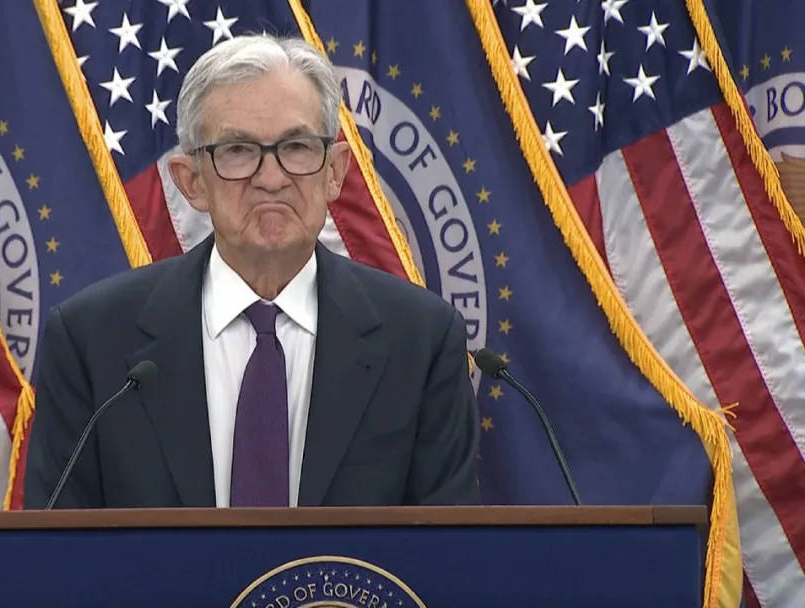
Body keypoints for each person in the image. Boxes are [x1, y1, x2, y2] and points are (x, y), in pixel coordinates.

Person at [24, 34, 479, 509]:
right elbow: (56, 544)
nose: (272, 178)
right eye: (238, 150)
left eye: (297, 146)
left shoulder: (420, 342)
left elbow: (446, 545)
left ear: (335, 172)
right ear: (191, 182)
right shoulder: (93, 341)